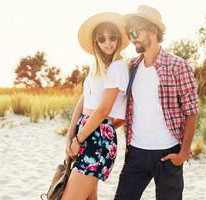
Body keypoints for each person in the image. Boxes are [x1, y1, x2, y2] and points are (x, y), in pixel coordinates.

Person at [114, 5, 200, 200]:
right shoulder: (132, 66)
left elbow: (192, 111)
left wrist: (183, 154)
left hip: (168, 154)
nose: (131, 38)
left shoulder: (178, 65)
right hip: (136, 152)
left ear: (152, 30)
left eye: (135, 32)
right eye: (129, 33)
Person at [61, 12, 129, 200]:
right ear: (95, 42)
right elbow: (84, 101)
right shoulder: (95, 67)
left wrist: (79, 140)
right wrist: (70, 135)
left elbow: (103, 111)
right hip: (86, 131)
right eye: (102, 38)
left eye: (112, 37)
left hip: (96, 140)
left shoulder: (118, 67)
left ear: (118, 39)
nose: (108, 42)